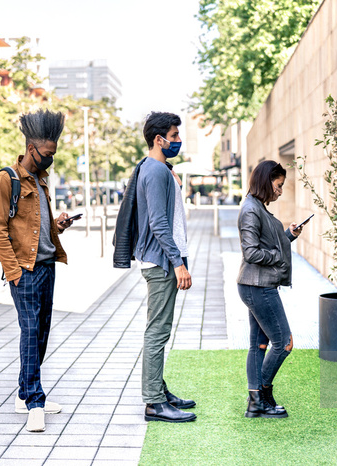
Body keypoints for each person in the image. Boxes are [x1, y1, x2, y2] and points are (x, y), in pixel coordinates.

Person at [0, 109, 74, 432]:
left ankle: (25, 393)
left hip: (48, 267)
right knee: (31, 332)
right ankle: (35, 402)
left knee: (42, 332)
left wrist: (58, 226)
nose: (51, 159)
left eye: (54, 154)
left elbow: (35, 227)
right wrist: (14, 272)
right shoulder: (5, 180)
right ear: (31, 148)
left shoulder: (40, 181)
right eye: (47, 154)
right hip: (24, 270)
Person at [132, 111, 196, 423]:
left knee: (160, 329)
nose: (178, 141)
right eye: (174, 136)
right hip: (160, 263)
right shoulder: (155, 172)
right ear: (159, 139)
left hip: (160, 260)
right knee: (157, 331)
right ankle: (154, 402)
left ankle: (159, 390)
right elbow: (158, 223)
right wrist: (178, 263)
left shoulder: (159, 169)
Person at [237, 160, 307, 419]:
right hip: (257, 286)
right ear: (266, 182)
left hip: (257, 284)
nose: (280, 191)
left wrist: (288, 236)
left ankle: (257, 403)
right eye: (278, 186)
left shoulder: (258, 208)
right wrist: (279, 255)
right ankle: (261, 394)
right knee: (284, 342)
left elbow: (265, 243)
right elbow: (252, 252)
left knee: (259, 345)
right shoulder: (251, 210)